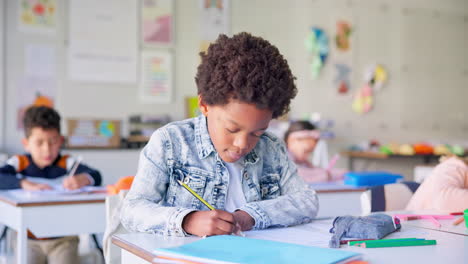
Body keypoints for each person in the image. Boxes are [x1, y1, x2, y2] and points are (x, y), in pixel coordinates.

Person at [121, 32, 319, 237]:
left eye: (257, 132)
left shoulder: (271, 147)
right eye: (232, 129)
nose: (242, 143)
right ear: (204, 105)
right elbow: (132, 210)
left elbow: (306, 200)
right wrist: (187, 220)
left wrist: (250, 215)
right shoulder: (171, 142)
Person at [0, 105, 102, 264]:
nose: (47, 149)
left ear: (60, 140)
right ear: (26, 143)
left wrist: (84, 178)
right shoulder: (20, 162)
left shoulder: (66, 162)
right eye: (39, 142)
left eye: (53, 142)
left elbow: (96, 175)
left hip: (64, 239)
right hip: (29, 239)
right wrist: (23, 183)